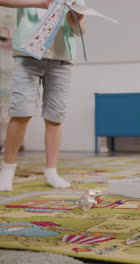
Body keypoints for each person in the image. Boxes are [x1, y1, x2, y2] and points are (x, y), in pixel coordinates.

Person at [0, 0, 85, 191]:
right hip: (28, 56)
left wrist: (76, 21)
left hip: (62, 60)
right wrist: (39, 3)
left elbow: (80, 31)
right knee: (21, 112)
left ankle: (51, 172)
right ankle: (7, 171)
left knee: (55, 116)